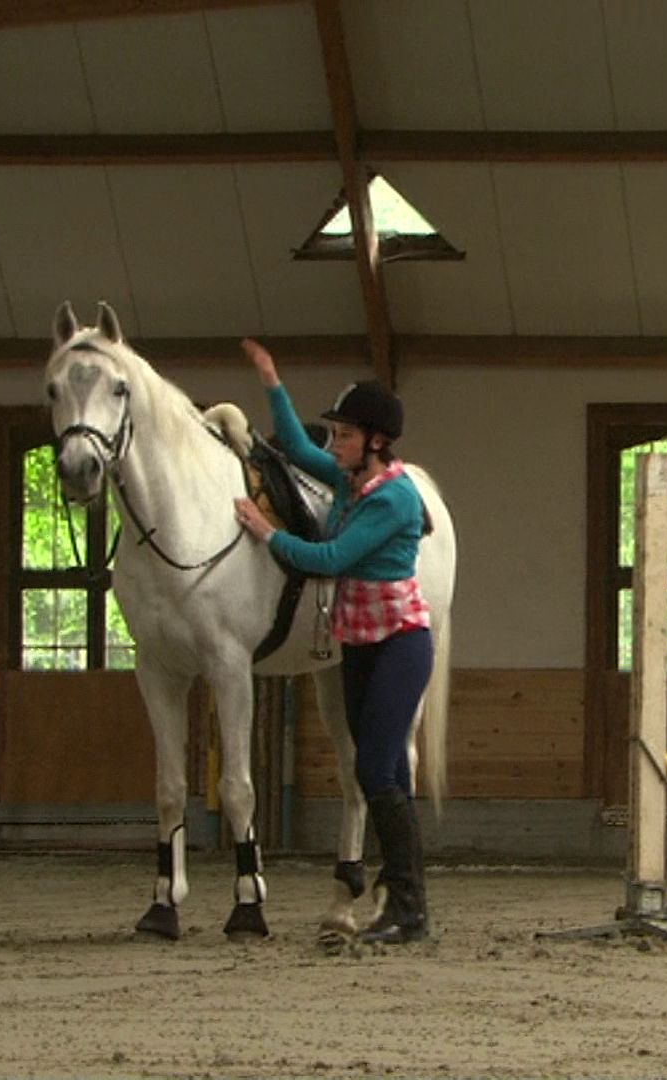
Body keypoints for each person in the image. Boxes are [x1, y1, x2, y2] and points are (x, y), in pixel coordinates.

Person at [232, 338, 434, 945]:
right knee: (387, 767)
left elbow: (330, 559)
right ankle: (407, 903)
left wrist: (265, 532)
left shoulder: (394, 498)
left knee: (373, 766)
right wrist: (271, 379)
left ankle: (407, 904)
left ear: (374, 441)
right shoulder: (349, 482)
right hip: (360, 642)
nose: (334, 443)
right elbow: (296, 448)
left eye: (344, 435)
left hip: (400, 643)